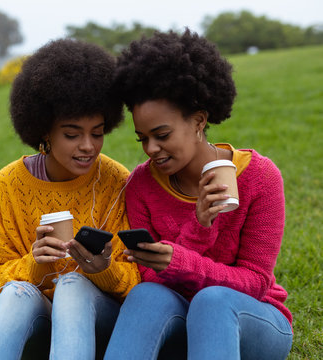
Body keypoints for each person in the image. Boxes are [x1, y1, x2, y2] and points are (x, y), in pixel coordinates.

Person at [104, 30, 293, 360]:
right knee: (146, 293)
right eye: (142, 139)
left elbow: (256, 281)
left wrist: (180, 258)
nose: (151, 149)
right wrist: (198, 228)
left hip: (254, 320)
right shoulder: (141, 186)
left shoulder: (260, 178)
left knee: (213, 300)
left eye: (161, 135)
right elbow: (150, 276)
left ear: (199, 121)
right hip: (179, 320)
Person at [0, 39, 140, 360]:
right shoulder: (9, 183)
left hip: (99, 319)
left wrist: (101, 269)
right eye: (72, 134)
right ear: (45, 130)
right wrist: (34, 265)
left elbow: (139, 279)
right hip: (41, 318)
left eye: (98, 132)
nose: (88, 146)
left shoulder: (116, 180)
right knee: (14, 294)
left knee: (72, 285)